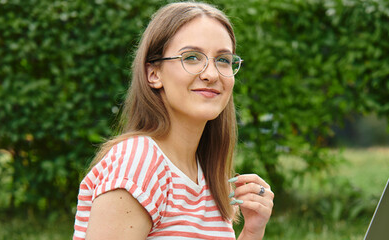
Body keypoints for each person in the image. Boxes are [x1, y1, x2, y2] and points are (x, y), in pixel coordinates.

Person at [72, 2, 274, 240]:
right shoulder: (138, 164)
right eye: (191, 57)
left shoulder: (207, 176)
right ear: (154, 74)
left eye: (223, 60)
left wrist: (252, 231)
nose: (211, 74)